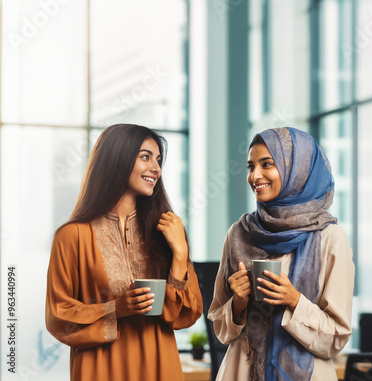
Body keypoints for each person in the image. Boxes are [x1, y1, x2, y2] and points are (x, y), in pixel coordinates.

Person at [45, 124, 203, 381]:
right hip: (100, 369)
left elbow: (185, 314)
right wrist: (116, 308)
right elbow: (58, 316)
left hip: (160, 367)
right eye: (145, 157)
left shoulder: (166, 231)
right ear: (116, 158)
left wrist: (180, 253)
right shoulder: (72, 236)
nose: (156, 168)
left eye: (158, 160)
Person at [208, 127, 355, 381]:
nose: (255, 175)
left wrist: (294, 300)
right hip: (241, 371)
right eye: (250, 166)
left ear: (297, 170)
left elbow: (336, 337)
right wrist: (238, 304)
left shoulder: (330, 238)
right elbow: (220, 329)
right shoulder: (238, 233)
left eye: (267, 164)